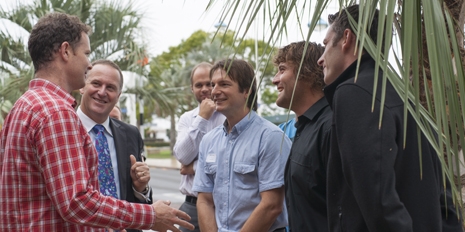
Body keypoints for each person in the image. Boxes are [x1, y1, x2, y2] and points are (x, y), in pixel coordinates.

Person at [0, 12, 193, 231]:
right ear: (65, 51)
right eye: (86, 53)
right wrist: (150, 215)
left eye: (111, 87)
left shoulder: (22, 106)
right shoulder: (56, 112)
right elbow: (77, 203)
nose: (89, 63)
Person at [317, 5, 462, 232]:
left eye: (325, 45)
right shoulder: (404, 95)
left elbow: (377, 197)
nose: (320, 59)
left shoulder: (354, 92)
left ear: (346, 38)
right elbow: (443, 196)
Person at [192, 59, 291, 232]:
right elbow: (204, 200)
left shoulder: (271, 138)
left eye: (224, 84)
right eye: (213, 84)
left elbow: (272, 205)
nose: (214, 91)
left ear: (246, 91)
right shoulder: (208, 141)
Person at [77, 59, 153, 232]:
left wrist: (140, 187)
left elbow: (140, 200)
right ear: (82, 86)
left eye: (110, 87)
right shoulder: (64, 129)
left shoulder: (130, 134)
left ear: (118, 96)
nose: (102, 92)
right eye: (96, 83)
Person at [272, 41, 331, 231]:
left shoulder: (330, 127)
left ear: (308, 73)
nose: (275, 79)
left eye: (282, 70)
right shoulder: (303, 128)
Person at [173, 62, 225, 232]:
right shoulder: (187, 119)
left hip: (222, 207)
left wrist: (194, 167)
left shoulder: (227, 116)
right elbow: (182, 156)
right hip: (191, 207)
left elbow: (228, 161)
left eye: (209, 84)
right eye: (198, 85)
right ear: (192, 88)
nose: (204, 89)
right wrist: (202, 118)